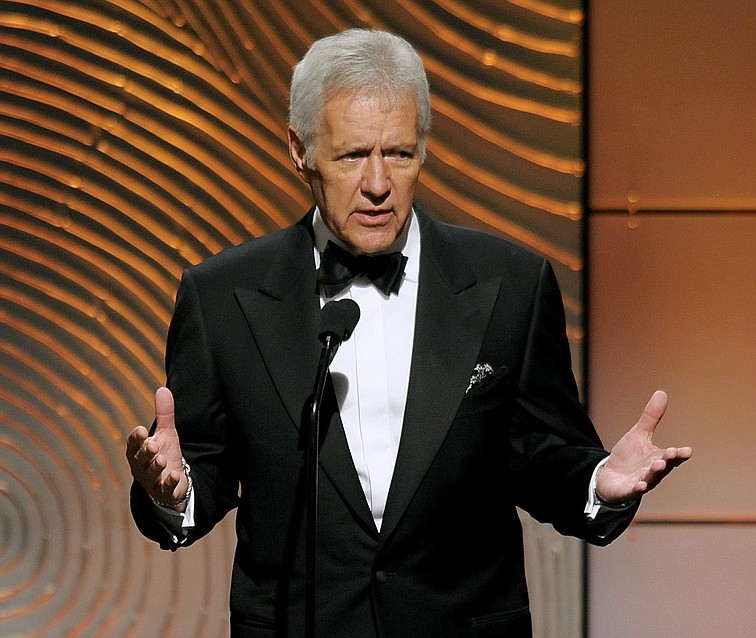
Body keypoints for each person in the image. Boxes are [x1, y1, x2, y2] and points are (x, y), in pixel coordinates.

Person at [126, 29, 692, 638]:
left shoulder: (511, 286)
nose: (377, 184)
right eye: (351, 156)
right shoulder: (222, 298)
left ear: (423, 148)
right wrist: (170, 492)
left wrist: (598, 483)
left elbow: (543, 456)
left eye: (398, 153)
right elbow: (201, 473)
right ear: (300, 150)